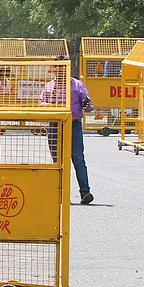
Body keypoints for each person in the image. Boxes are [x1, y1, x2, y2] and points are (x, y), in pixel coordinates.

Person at [40, 57, 95, 205]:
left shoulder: (77, 85)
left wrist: (86, 105)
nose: (61, 71)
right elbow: (41, 103)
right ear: (54, 69)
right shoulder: (49, 87)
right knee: (57, 161)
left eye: (64, 67)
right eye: (58, 67)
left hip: (73, 125)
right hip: (55, 125)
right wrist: (49, 105)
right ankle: (60, 193)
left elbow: (89, 105)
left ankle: (85, 192)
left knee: (78, 158)